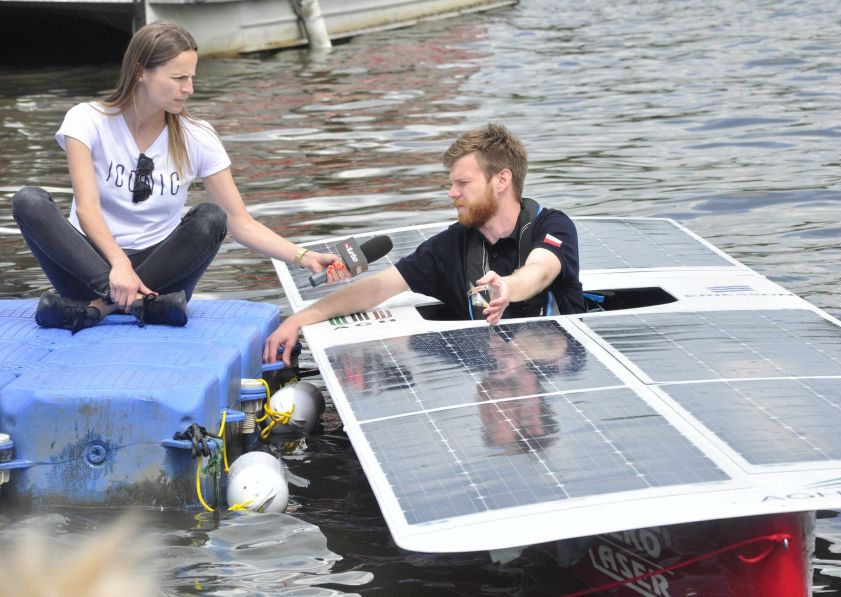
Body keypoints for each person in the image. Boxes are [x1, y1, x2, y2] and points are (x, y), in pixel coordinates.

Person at [11, 21, 347, 333]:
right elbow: (86, 208)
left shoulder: (198, 136)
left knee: (211, 218)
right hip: (90, 267)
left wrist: (303, 257)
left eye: (191, 78)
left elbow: (240, 223)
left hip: (161, 273)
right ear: (141, 72)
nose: (189, 89)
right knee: (29, 201)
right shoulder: (87, 120)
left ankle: (98, 309)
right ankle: (137, 305)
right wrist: (117, 267)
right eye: (178, 78)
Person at [265, 123, 584, 365]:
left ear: (501, 180)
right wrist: (298, 320)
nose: (452, 193)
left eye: (463, 183)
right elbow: (376, 288)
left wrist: (509, 287)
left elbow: (540, 270)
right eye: (451, 184)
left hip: (560, 377)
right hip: (490, 371)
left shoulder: (553, 226)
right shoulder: (450, 246)